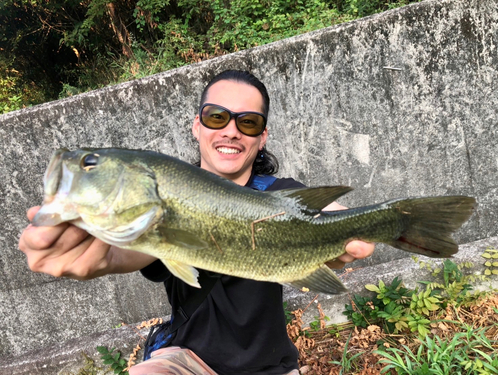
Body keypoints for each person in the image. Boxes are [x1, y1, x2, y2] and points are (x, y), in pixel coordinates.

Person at [19, 70, 375, 374]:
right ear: (197, 126)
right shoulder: (163, 198)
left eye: (248, 122)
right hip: (186, 360)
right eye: (217, 116)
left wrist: (357, 226)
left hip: (272, 367)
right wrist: (107, 257)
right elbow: (138, 250)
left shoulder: (278, 195)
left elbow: (323, 213)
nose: (231, 131)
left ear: (262, 137)